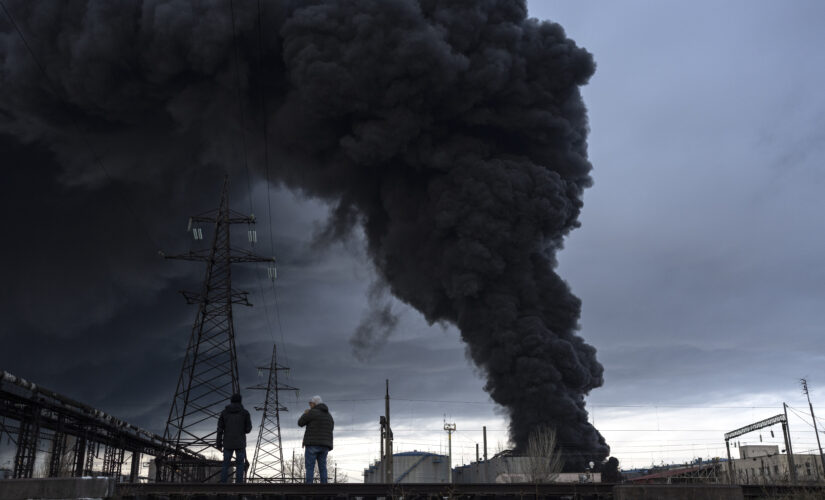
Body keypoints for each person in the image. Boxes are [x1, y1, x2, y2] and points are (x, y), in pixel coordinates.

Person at [216, 393, 252, 483]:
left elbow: (219, 430)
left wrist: (219, 444)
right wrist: (242, 429)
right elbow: (248, 429)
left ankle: (223, 485)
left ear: (231, 401)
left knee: (225, 464)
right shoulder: (245, 413)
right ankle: (238, 486)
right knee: (240, 464)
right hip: (240, 443)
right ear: (240, 401)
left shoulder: (224, 413)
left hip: (227, 443)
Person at [298, 395, 334, 483]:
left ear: (315, 403)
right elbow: (331, 428)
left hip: (312, 444)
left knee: (310, 467)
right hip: (325, 445)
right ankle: (324, 488)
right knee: (323, 467)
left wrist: (305, 413)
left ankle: (309, 488)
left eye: (311, 403)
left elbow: (300, 423)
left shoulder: (312, 412)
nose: (310, 405)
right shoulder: (329, 415)